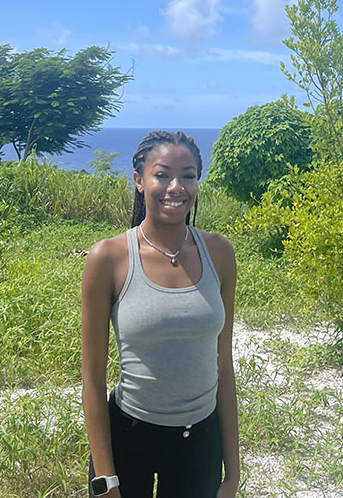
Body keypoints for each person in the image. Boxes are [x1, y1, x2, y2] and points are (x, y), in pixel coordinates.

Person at [81, 131, 240, 498]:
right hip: (127, 438)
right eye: (162, 174)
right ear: (139, 181)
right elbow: (92, 377)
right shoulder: (108, 257)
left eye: (188, 175)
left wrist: (232, 473)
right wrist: (106, 478)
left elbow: (223, 366)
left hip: (199, 441)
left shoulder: (219, 253)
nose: (176, 186)